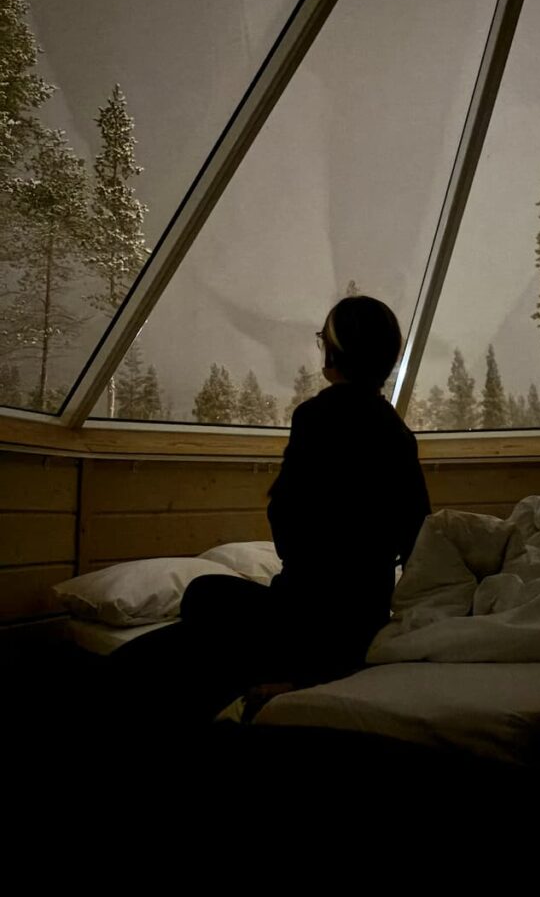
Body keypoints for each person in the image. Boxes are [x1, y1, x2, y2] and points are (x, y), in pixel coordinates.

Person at [109, 295, 431, 730]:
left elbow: (289, 531)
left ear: (336, 349)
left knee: (202, 594)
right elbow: (417, 538)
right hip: (361, 624)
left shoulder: (318, 417)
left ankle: (293, 676)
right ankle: (311, 669)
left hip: (301, 622)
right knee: (211, 597)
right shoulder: (398, 434)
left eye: (324, 339)